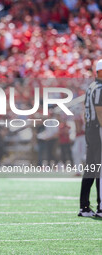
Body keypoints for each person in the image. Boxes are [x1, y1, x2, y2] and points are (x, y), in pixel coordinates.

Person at [78, 59, 102, 217]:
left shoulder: (91, 87)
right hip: (97, 129)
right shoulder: (99, 88)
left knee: (91, 168)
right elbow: (100, 111)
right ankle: (101, 207)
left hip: (90, 129)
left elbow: (84, 111)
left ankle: (84, 206)